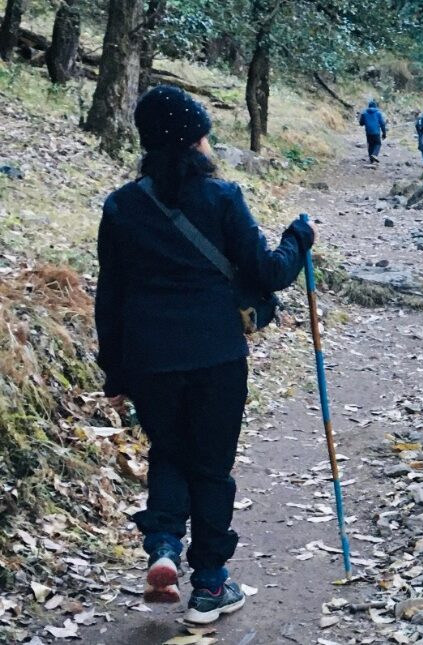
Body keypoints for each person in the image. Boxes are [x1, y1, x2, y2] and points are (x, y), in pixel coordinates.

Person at [95, 85, 315, 623]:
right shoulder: (222, 198)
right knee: (211, 467)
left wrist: (114, 368)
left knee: (169, 452)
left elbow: (110, 295)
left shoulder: (122, 206)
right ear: (194, 141)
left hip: (149, 358)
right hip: (216, 354)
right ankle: (211, 585)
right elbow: (268, 272)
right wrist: (299, 237)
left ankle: (165, 547)